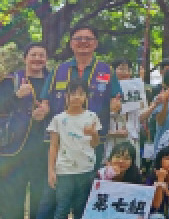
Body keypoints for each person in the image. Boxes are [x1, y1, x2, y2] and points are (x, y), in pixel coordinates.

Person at [42, 25, 121, 168]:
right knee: (60, 178)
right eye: (78, 38)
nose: (83, 41)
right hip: (62, 139)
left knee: (90, 178)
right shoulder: (58, 70)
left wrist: (115, 105)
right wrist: (42, 109)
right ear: (71, 43)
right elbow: (45, 101)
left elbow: (114, 99)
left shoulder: (107, 70)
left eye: (88, 39)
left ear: (95, 43)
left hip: (93, 138)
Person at [0, 43, 51, 219]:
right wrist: (17, 96)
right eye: (33, 55)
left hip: (43, 148)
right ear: (25, 58)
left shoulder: (53, 82)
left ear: (46, 59)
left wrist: (47, 111)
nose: (37, 58)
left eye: (41, 55)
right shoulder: (11, 80)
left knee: (40, 197)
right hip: (13, 148)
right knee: (11, 198)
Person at [46, 78, 101, 219]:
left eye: (81, 94)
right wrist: (51, 170)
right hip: (64, 170)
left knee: (81, 209)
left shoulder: (92, 117)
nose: (77, 97)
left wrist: (93, 133)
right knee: (62, 208)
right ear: (66, 96)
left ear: (86, 97)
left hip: (85, 169)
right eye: (73, 93)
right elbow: (53, 146)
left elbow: (95, 144)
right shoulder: (58, 119)